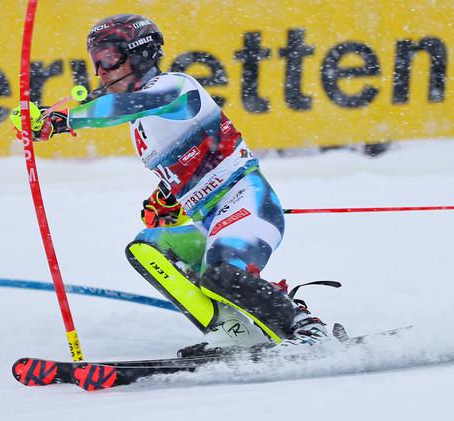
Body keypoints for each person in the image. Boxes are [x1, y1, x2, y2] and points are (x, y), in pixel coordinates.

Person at [26, 14, 329, 356]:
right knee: (148, 247)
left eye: (108, 59)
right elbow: (192, 161)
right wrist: (168, 197)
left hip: (248, 203)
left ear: (139, 54)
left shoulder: (176, 87)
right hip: (210, 220)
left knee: (222, 273)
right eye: (96, 63)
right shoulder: (139, 125)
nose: (101, 72)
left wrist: (64, 118)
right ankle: (233, 331)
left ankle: (306, 327)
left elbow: (131, 104)